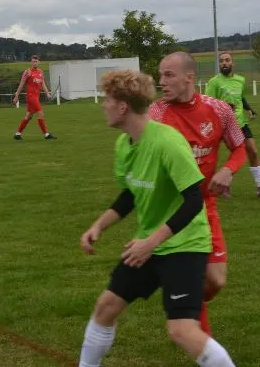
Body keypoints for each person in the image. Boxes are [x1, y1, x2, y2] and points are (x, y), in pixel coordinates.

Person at [78, 69, 236, 367]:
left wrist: (151, 242)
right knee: (106, 307)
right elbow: (129, 195)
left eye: (107, 100)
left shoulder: (167, 142)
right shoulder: (124, 144)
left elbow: (194, 200)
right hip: (148, 245)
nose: (103, 106)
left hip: (185, 245)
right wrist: (99, 226)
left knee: (181, 329)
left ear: (123, 107)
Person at [149, 52, 248, 337]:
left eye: (169, 75)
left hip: (206, 206)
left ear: (189, 77)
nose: (162, 81)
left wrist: (228, 169)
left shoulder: (219, 110)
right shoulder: (156, 114)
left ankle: (184, 305)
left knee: (215, 281)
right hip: (172, 210)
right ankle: (205, 349)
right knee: (191, 278)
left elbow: (239, 147)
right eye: (160, 75)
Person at [205, 52, 260, 199]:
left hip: (241, 123)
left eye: (227, 60)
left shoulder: (240, 80)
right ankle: (224, 184)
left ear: (232, 63)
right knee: (237, 154)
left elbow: (241, 98)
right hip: (224, 125)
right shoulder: (214, 82)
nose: (224, 63)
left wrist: (249, 109)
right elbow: (208, 104)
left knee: (253, 151)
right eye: (221, 61)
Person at [12, 55, 56, 140]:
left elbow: (43, 84)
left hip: (36, 97)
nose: (34, 63)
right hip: (31, 97)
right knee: (40, 113)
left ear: (39, 62)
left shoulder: (40, 72)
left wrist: (47, 93)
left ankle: (17, 134)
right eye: (33, 61)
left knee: (29, 116)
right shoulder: (28, 72)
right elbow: (21, 84)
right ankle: (46, 134)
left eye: (36, 61)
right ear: (31, 62)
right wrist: (16, 96)